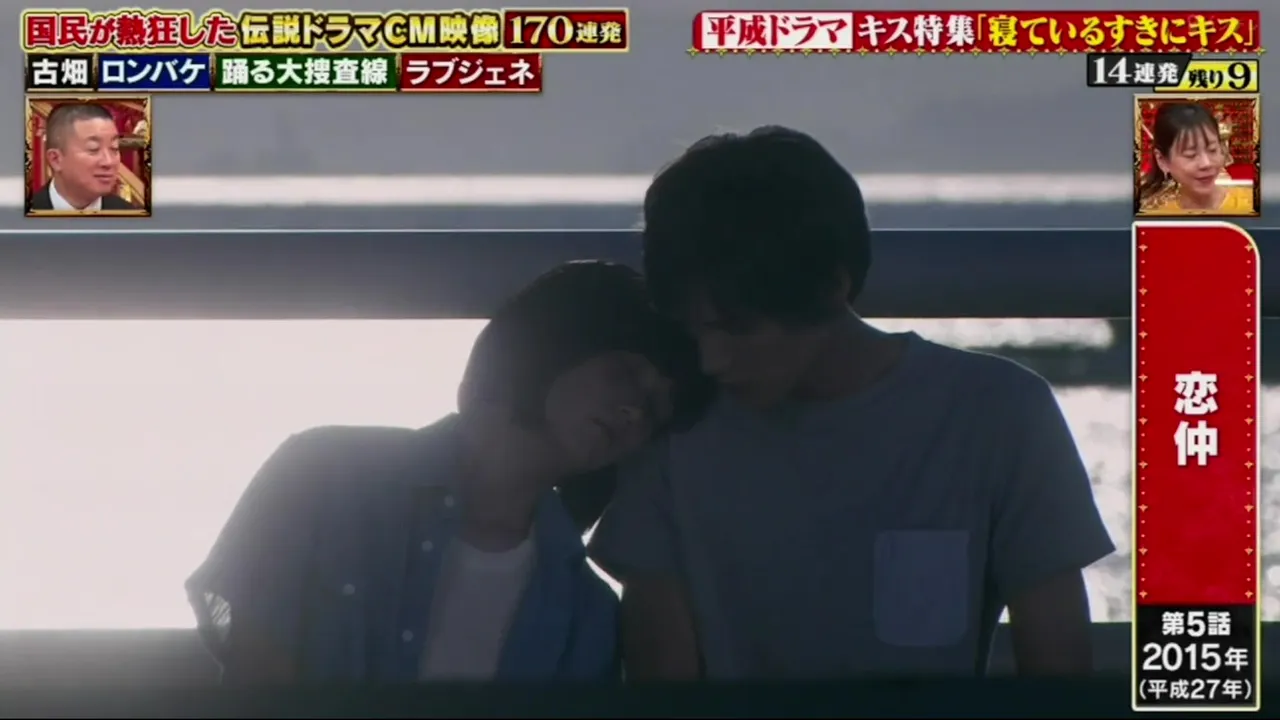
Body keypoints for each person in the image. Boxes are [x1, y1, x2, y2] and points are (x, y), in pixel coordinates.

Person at [589, 126, 1116, 679]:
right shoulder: (676, 426)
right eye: (693, 330)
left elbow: (1057, 671)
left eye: (738, 328)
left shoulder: (997, 413)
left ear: (829, 287)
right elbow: (662, 687)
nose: (710, 360)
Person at [185, 261, 711, 683]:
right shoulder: (321, 472)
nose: (634, 412)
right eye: (623, 374)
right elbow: (256, 678)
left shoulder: (586, 609)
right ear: (559, 344)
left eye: (655, 410)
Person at [1137, 101, 1254, 216]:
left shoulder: (1251, 204)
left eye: (1212, 150)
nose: (1206, 163)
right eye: (1191, 155)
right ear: (1162, 160)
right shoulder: (1155, 215)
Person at [29, 102, 136, 213]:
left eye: (114, 148)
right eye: (93, 149)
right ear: (55, 159)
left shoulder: (130, 215)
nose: (108, 162)